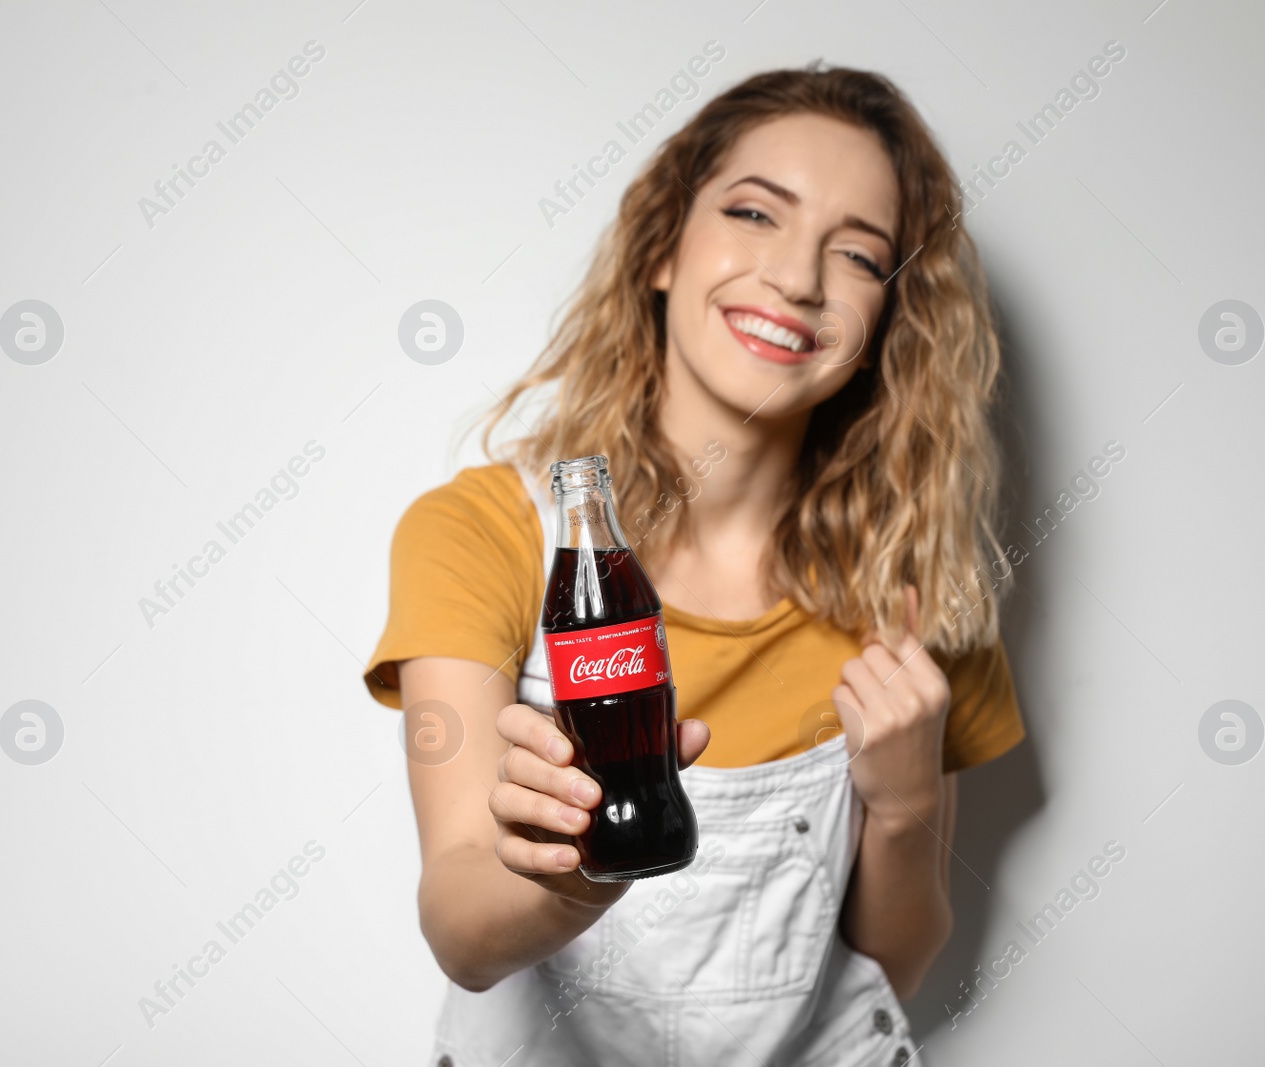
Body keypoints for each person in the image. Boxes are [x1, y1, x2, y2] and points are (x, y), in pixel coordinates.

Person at [366, 64, 1024, 1067]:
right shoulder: (481, 535)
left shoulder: (913, 583)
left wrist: (903, 802)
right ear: (664, 242)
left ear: (890, 319)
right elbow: (459, 925)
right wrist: (582, 871)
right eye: (755, 212)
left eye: (856, 254)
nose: (797, 278)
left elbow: (899, 956)